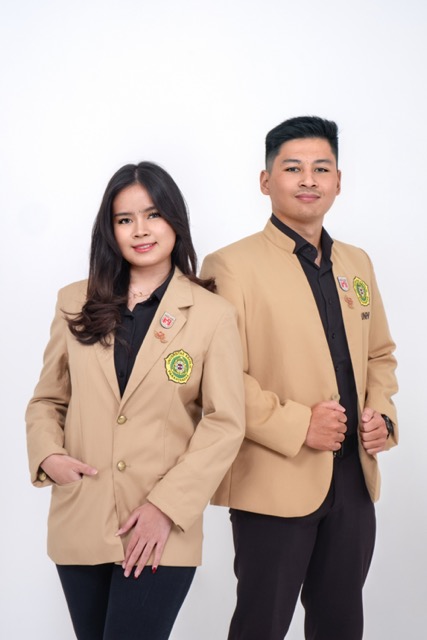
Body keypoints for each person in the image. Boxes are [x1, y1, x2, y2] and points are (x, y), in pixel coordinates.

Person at [26, 161, 245, 640]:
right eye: (125, 219)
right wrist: (48, 456)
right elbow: (47, 399)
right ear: (110, 230)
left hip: (159, 528)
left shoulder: (212, 314)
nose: (140, 230)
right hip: (82, 517)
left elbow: (225, 422)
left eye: (153, 215)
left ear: (175, 220)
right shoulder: (74, 301)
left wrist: (166, 507)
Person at [201, 116, 398, 640]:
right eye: (293, 168)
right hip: (274, 477)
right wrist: (297, 425)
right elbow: (217, 377)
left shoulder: (357, 263)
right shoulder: (230, 266)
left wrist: (382, 416)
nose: (308, 179)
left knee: (341, 623)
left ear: (338, 180)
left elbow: (380, 354)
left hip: (353, 479)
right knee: (260, 626)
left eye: (321, 168)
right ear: (266, 181)